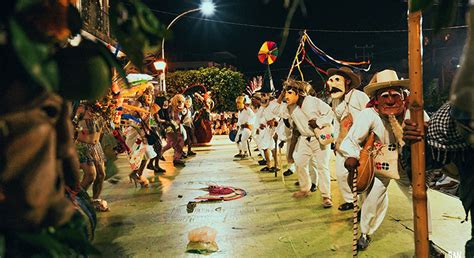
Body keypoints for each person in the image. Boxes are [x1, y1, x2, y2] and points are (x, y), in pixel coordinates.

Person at [341, 69, 430, 250]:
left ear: (403, 96)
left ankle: (427, 238)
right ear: (376, 98)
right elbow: (351, 140)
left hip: (408, 166)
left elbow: (429, 129)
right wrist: (351, 155)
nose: (390, 100)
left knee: (422, 200)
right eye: (385, 96)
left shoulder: (412, 112)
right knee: (372, 200)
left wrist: (425, 131)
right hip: (380, 165)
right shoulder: (369, 115)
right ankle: (365, 233)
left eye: (395, 96)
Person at [279, 79, 334, 207]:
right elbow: (281, 113)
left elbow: (330, 113)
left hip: (318, 139)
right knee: (299, 162)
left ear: (299, 93)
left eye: (290, 93)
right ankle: (305, 188)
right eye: (286, 93)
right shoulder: (290, 106)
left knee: (322, 167)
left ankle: (326, 196)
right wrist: (283, 97)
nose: (287, 96)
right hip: (304, 139)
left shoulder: (313, 101)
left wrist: (318, 122)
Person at [326, 67, 370, 211]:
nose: (332, 84)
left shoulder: (359, 96)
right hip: (342, 145)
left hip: (359, 145)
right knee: (341, 174)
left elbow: (370, 118)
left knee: (360, 177)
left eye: (337, 80)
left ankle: (363, 207)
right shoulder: (336, 100)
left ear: (348, 81)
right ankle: (351, 201)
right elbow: (336, 123)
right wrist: (335, 143)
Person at [75, 102, 109, 211]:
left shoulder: (102, 110)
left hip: (96, 146)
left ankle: (95, 200)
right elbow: (71, 125)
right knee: (90, 176)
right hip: (82, 146)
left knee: (101, 174)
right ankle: (75, 201)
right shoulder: (81, 109)